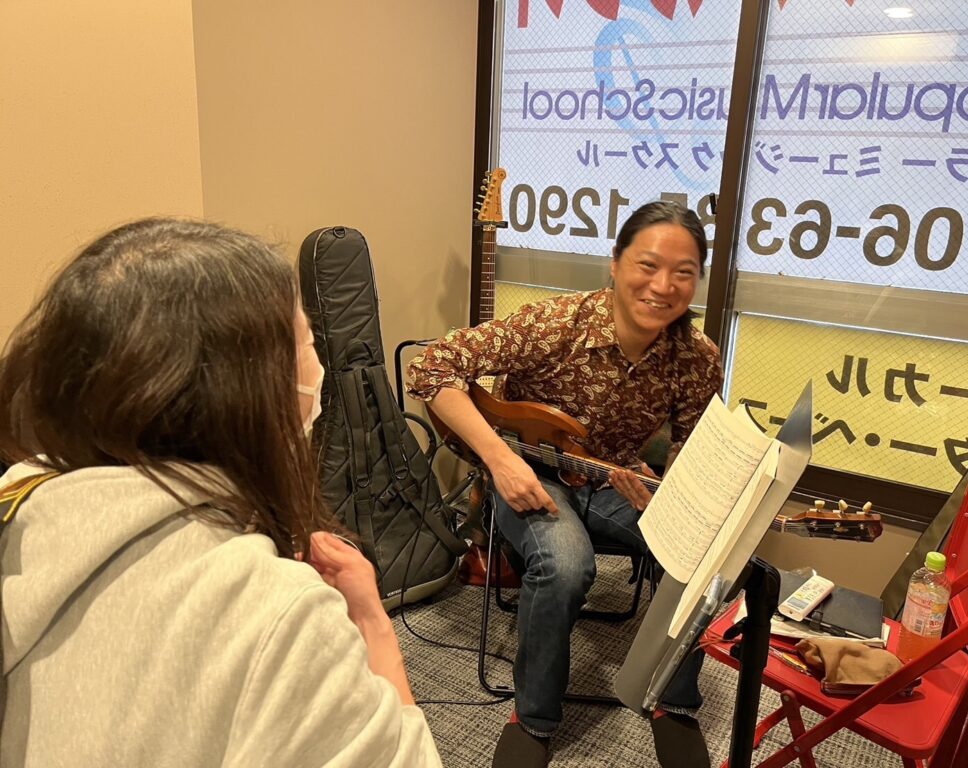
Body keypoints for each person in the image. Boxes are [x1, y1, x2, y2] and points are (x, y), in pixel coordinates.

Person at [0, 218, 442, 767]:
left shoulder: (18, 500)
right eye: (308, 343)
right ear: (249, 394)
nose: (319, 368)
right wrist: (373, 625)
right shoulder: (284, 618)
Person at [406, 200, 723, 768]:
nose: (663, 286)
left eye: (684, 272)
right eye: (648, 265)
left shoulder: (696, 359)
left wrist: (666, 483)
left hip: (611, 481)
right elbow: (432, 366)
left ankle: (673, 701)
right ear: (616, 262)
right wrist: (499, 459)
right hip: (529, 475)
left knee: (701, 549)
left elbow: (692, 451)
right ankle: (533, 718)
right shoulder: (555, 324)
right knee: (566, 564)